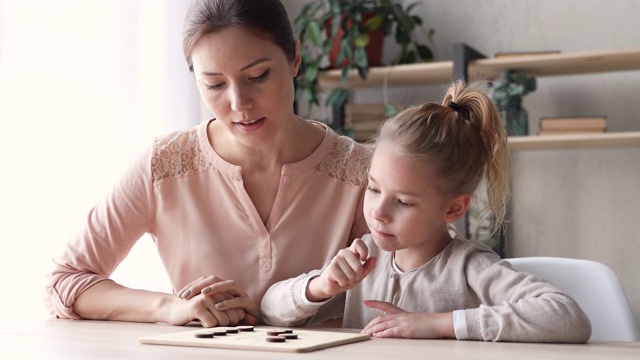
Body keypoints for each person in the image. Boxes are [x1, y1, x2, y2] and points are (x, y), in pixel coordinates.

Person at [45, 0, 372, 328]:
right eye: (215, 84)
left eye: (258, 76)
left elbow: (398, 296)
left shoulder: (360, 171)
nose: (239, 103)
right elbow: (65, 282)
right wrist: (170, 307)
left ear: (295, 58)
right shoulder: (165, 164)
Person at [260, 81, 592, 343]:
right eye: (374, 189)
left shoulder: (468, 266)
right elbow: (270, 310)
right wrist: (321, 286)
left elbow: (566, 317)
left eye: (403, 202)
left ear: (454, 208)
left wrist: (440, 324)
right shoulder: (364, 262)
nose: (379, 212)